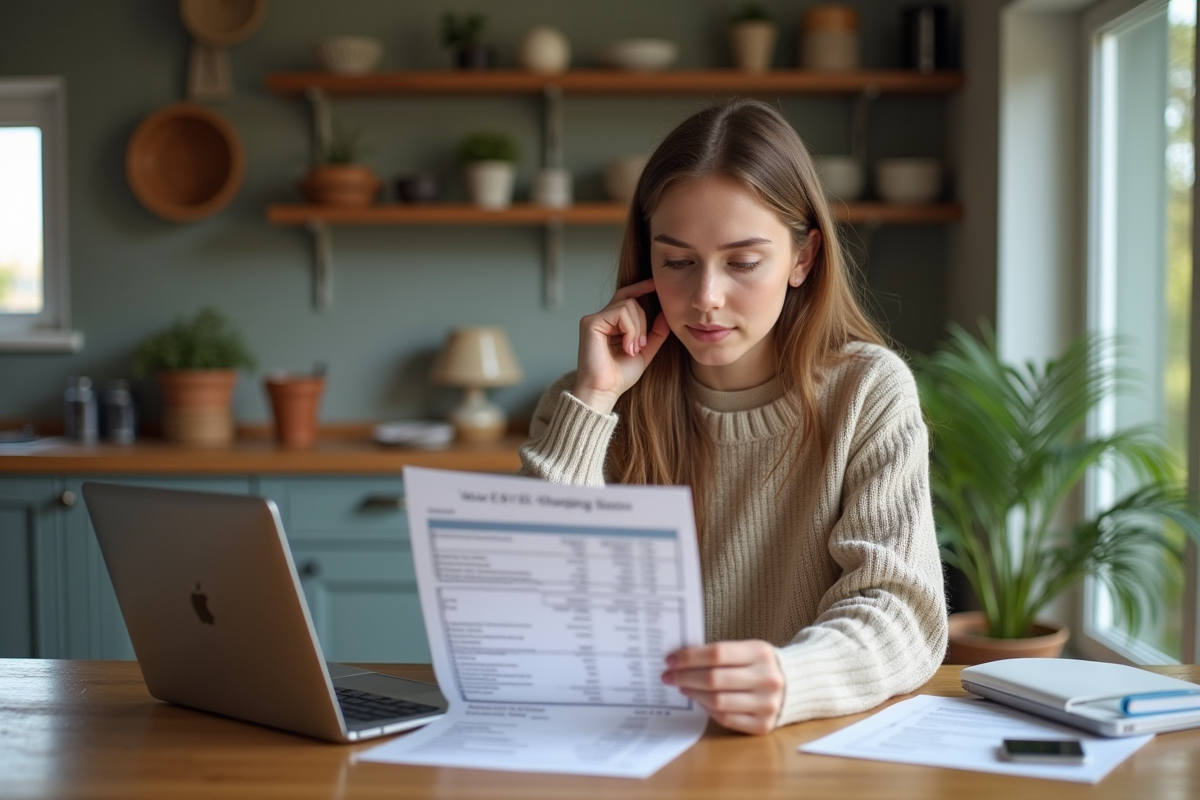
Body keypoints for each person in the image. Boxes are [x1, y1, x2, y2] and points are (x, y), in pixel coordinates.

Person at [519, 99, 947, 735]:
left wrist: (791, 678)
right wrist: (594, 403)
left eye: (743, 262)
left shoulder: (867, 391)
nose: (705, 298)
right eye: (677, 261)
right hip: (623, 746)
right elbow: (531, 605)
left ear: (803, 259)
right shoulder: (584, 402)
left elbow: (900, 609)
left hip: (796, 748)